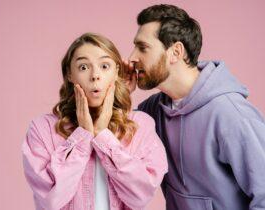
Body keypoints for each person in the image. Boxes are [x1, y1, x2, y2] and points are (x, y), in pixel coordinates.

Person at [125, 4, 265, 210]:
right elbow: (114, 137)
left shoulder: (230, 114)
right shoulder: (154, 109)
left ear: (175, 52)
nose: (131, 57)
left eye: (143, 47)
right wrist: (120, 94)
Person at [22, 33, 168, 210]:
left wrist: (103, 137)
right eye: (83, 67)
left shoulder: (140, 125)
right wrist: (83, 136)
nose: (95, 76)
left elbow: (140, 195)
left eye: (105, 66)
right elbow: (51, 200)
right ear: (69, 74)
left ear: (116, 72)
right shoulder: (42, 129)